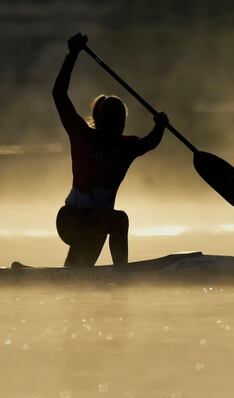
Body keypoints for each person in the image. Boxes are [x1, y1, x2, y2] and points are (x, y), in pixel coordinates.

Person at [53, 33, 168, 267]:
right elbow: (59, 94)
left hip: (95, 221)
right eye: (113, 121)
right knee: (119, 220)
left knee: (85, 260)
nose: (118, 126)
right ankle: (121, 274)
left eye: (121, 121)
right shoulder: (82, 135)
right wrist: (72, 55)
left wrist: (160, 126)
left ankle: (68, 274)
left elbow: (151, 142)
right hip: (70, 220)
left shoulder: (126, 147)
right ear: (100, 120)